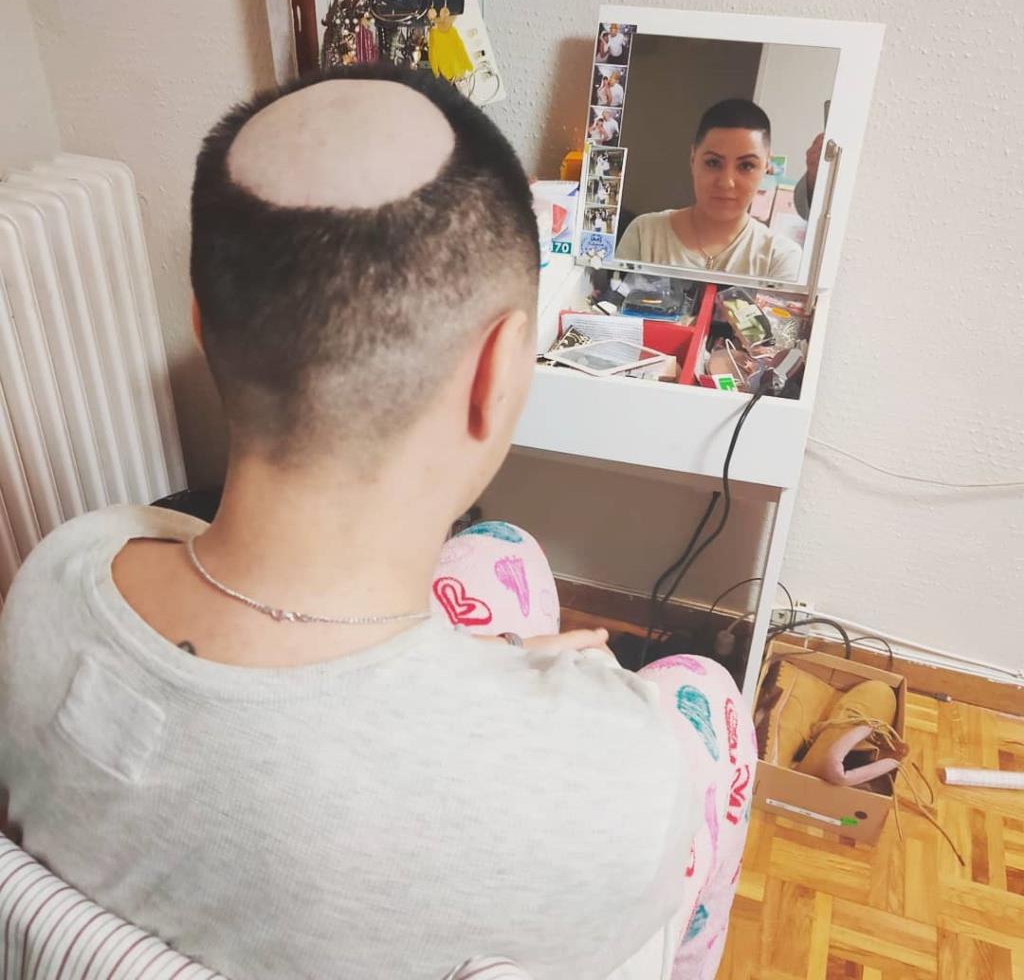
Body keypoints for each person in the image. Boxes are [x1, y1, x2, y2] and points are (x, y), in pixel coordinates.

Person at [0, 65, 753, 980]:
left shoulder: (57, 572)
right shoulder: (614, 779)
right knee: (705, 694)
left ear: (202, 326)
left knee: (499, 553)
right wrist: (571, 697)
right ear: (497, 371)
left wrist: (498, 664)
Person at [617, 98, 803, 280]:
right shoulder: (645, 234)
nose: (726, 182)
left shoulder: (780, 258)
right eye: (713, 163)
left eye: (746, 166)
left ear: (766, 167)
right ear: (693, 159)